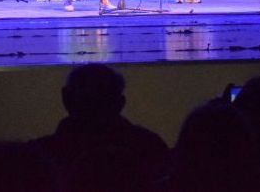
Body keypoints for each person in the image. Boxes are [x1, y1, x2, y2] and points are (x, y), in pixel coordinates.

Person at [29, 63, 169, 192]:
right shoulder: (149, 146)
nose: (92, 107)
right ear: (120, 103)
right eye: (86, 99)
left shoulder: (39, 155)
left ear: (66, 98)